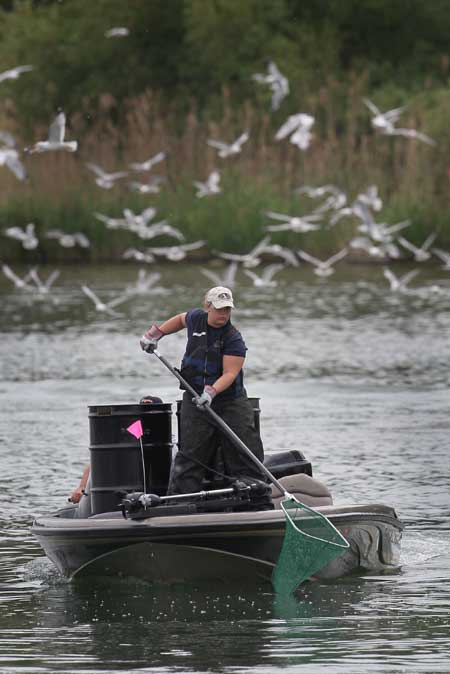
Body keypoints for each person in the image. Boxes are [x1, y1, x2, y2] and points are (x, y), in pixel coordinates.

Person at [140, 286, 266, 495]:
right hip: (194, 397)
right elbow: (180, 319)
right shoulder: (196, 319)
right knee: (190, 454)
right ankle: (181, 501)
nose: (223, 314)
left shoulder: (234, 339)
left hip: (229, 402)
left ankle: (254, 495)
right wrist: (156, 334)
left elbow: (229, 374)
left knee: (243, 450)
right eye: (219, 309)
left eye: (227, 309)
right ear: (207, 307)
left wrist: (212, 392)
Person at [69, 395, 162, 504]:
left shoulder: (168, 439)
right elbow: (97, 462)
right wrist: (81, 487)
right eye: (143, 409)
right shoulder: (128, 438)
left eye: (150, 409)